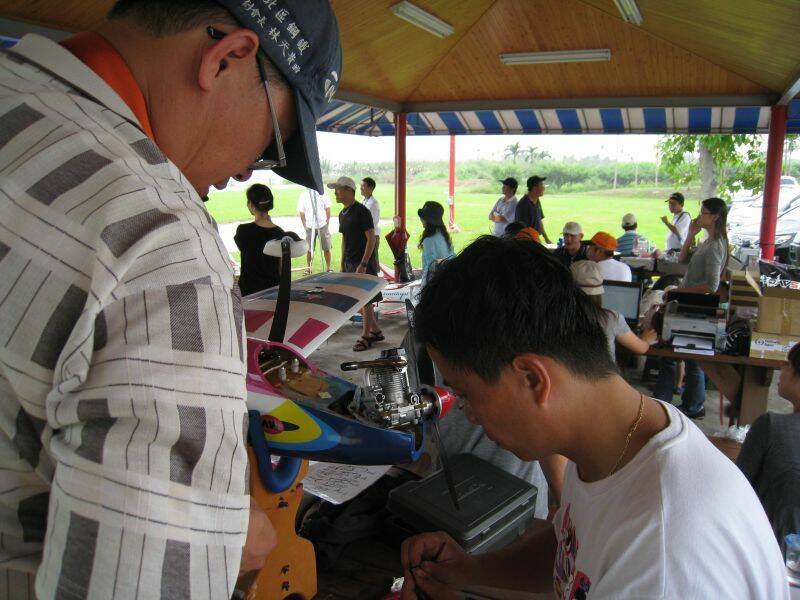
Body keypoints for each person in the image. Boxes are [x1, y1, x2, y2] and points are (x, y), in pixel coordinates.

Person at [0, 0, 341, 595]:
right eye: (274, 144)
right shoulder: (161, 244)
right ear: (226, 58)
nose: (248, 173)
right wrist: (217, 541)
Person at [400, 236, 787, 600]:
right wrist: (471, 570)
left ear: (532, 379)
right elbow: (572, 546)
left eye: (467, 395)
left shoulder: (662, 557)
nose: (469, 415)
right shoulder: (619, 438)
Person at [653, 198, 729, 419]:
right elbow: (682, 257)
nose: (699, 216)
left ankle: (687, 404)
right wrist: (690, 235)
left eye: (703, 212)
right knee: (680, 355)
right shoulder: (708, 240)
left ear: (715, 217)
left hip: (696, 308)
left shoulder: (715, 246)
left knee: (686, 357)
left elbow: (711, 286)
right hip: (689, 303)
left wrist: (679, 292)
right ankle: (683, 402)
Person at [737, 341, 800, 556]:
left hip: (769, 555)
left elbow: (736, 488)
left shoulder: (771, 426)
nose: (782, 368)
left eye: (788, 363)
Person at [330, 176, 383, 351]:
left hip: (363, 263)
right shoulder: (342, 214)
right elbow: (345, 239)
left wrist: (364, 263)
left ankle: (366, 336)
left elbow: (371, 238)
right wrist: (342, 262)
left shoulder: (361, 211)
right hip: (350, 262)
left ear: (348, 190)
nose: (335, 193)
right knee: (358, 300)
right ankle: (376, 330)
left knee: (365, 300)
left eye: (338, 189)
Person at [570, 261, 656, 359]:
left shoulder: (559, 317)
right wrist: (646, 339)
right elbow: (641, 349)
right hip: (603, 369)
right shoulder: (610, 318)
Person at [235, 184, 285, 295]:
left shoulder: (243, 231)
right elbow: (281, 267)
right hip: (273, 291)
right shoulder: (280, 233)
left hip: (248, 292)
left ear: (251, 204)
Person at [417, 201, 454, 284]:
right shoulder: (445, 235)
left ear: (429, 220)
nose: (421, 219)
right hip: (447, 281)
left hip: (432, 284)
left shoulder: (428, 240)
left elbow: (431, 267)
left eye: (423, 217)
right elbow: (453, 257)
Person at [297, 187, 332, 273]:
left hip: (322, 225)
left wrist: (327, 222)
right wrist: (305, 225)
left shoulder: (322, 193)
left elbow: (327, 208)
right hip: (309, 226)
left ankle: (328, 268)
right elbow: (301, 212)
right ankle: (309, 268)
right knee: (309, 249)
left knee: (326, 248)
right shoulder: (303, 195)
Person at [514, 175, 551, 244]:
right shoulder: (523, 205)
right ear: (534, 188)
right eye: (542, 185)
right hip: (526, 242)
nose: (544, 188)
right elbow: (522, 230)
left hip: (535, 239)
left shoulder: (537, 200)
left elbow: (539, 220)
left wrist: (546, 238)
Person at [361, 177, 381, 263]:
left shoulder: (373, 204)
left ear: (370, 188)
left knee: (372, 263)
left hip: (372, 237)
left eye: (363, 186)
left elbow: (372, 223)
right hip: (365, 236)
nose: (361, 188)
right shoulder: (364, 201)